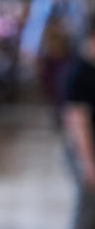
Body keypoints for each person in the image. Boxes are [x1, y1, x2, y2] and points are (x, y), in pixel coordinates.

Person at [63, 20, 95, 229]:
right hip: (85, 151)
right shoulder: (78, 73)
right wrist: (88, 163)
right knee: (88, 212)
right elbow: (77, 123)